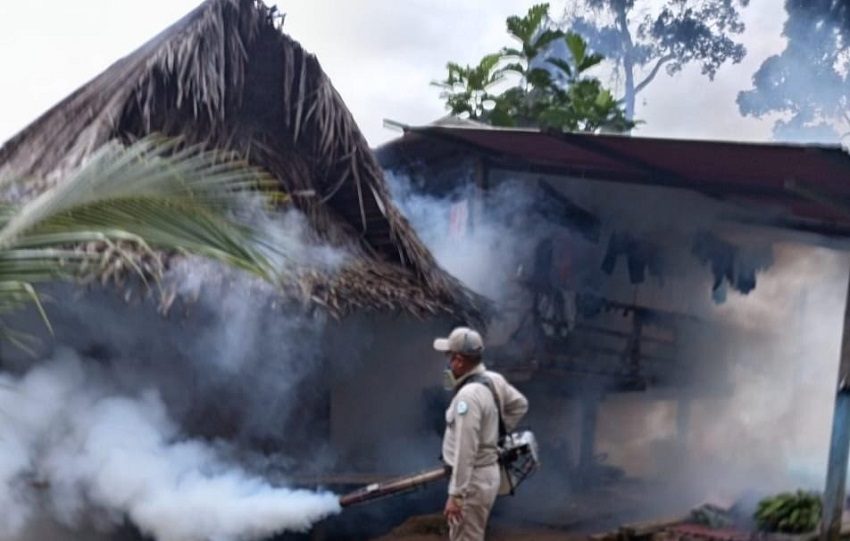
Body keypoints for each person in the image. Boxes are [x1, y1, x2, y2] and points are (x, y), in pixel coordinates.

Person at [434, 326, 529, 541]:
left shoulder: (468, 397)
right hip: (486, 473)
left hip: (472, 481)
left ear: (459, 361)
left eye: (449, 357)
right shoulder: (494, 379)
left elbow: (466, 449)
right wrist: (495, 435)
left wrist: (456, 495)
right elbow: (520, 405)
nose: (447, 363)